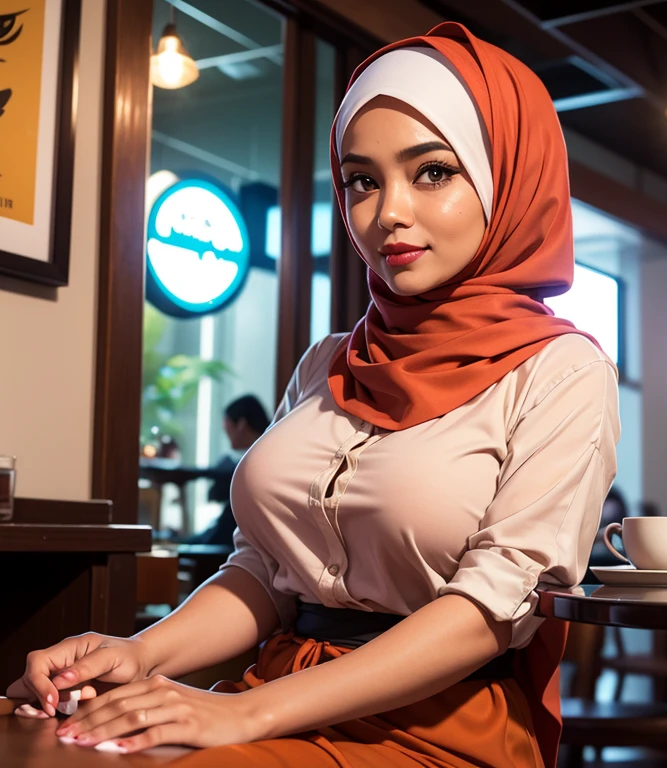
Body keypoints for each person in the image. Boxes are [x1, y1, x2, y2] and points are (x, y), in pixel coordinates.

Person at [8, 22, 620, 768]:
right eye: (361, 180)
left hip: (436, 728)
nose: (387, 211)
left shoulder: (559, 371)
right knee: (43, 741)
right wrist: (139, 654)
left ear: (508, 178)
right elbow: (266, 574)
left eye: (432, 171)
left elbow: (490, 611)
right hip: (275, 693)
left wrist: (243, 714)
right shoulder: (330, 361)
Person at [186, 395, 270, 548]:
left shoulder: (259, 464)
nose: (226, 433)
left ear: (241, 424)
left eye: (227, 427)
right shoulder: (264, 454)